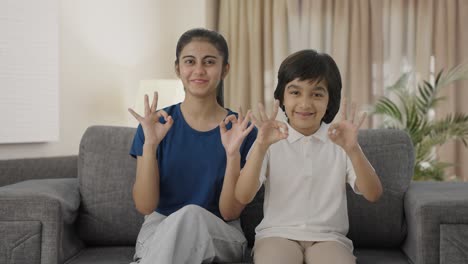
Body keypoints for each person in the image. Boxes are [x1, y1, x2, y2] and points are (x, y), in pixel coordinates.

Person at [234, 49, 383, 264]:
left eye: (317, 94)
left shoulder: (341, 141)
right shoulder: (268, 140)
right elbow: (242, 196)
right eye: (295, 92)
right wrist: (260, 146)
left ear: (330, 100)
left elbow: (373, 194)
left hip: (328, 238)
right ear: (282, 97)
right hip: (277, 234)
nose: (305, 104)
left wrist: (353, 149)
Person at [127, 28, 257, 264]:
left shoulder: (242, 130)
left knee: (191, 215)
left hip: (221, 232)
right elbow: (145, 206)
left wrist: (233, 154)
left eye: (209, 62)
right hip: (159, 230)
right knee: (182, 224)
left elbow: (230, 212)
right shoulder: (154, 125)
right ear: (178, 68)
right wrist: (150, 145)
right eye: (190, 62)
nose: (199, 70)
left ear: (224, 69)